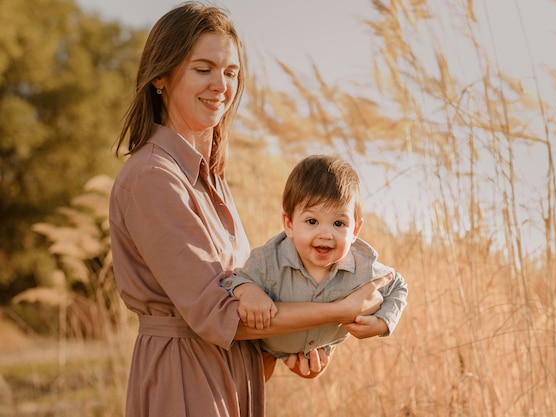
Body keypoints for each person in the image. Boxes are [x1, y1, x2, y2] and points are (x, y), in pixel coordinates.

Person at [108, 3, 388, 417]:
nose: (221, 85)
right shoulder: (153, 177)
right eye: (203, 69)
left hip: (234, 375)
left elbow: (249, 302)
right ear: (161, 77)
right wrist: (338, 311)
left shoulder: (211, 178)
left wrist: (295, 345)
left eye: (231, 72)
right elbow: (218, 314)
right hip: (183, 378)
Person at [222, 154, 409, 379]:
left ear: (355, 232)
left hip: (314, 351)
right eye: (312, 221)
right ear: (289, 224)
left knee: (309, 369)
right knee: (247, 382)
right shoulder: (269, 261)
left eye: (339, 223)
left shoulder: (363, 269)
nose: (326, 234)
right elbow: (231, 280)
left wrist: (383, 322)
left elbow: (397, 285)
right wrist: (248, 290)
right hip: (263, 348)